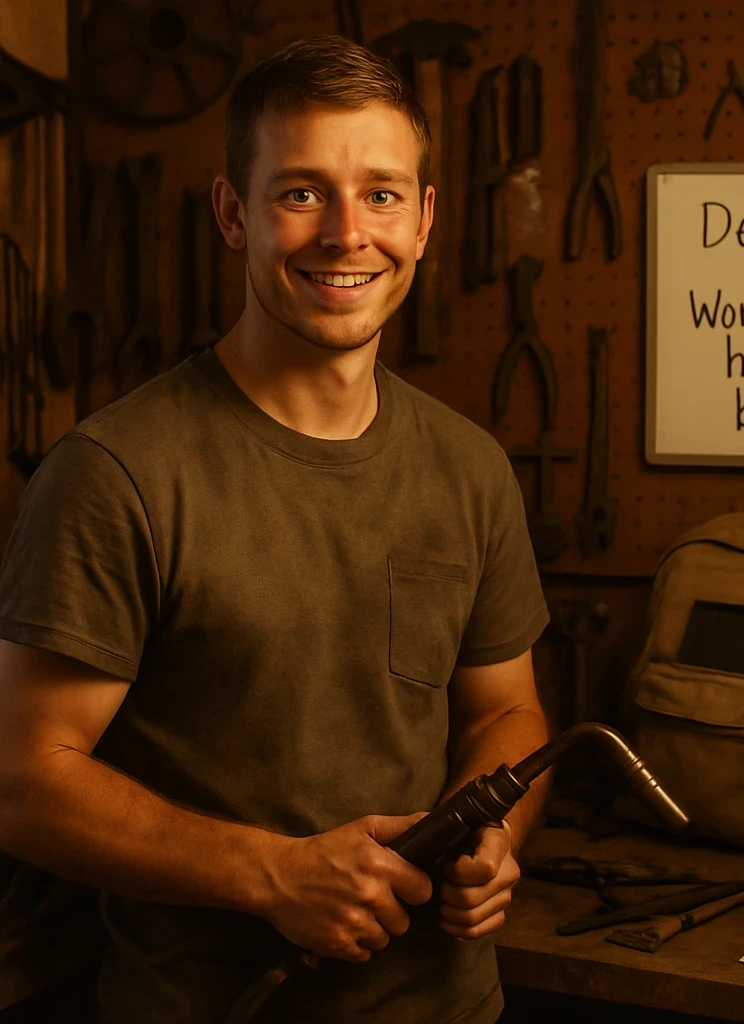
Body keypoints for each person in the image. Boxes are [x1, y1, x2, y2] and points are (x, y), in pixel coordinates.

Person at [0, 35, 550, 1024]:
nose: (347, 234)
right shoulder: (116, 473)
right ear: (231, 213)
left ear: (423, 220)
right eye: (301, 193)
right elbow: (22, 782)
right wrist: (270, 874)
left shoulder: (468, 468)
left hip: (449, 1007)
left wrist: (493, 835)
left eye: (381, 194)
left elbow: (504, 715)